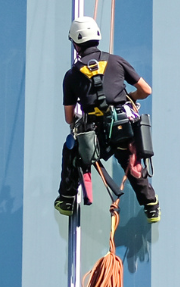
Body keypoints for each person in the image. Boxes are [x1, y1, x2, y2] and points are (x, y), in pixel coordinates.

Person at [54, 16, 160, 222]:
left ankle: (66, 199)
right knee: (133, 162)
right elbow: (146, 90)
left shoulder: (72, 74)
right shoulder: (117, 61)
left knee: (72, 151)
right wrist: (130, 97)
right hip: (121, 128)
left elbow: (69, 118)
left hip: (94, 136)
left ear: (76, 44)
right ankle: (151, 206)